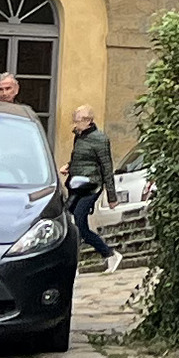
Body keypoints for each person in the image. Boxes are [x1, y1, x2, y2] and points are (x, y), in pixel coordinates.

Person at [65, 104, 122, 266]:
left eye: (77, 120)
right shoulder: (79, 137)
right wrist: (69, 166)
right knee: (71, 222)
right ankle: (74, 261)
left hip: (92, 186)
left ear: (88, 121)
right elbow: (80, 157)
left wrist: (112, 197)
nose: (74, 124)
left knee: (79, 222)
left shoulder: (100, 139)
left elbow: (107, 167)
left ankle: (109, 254)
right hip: (76, 185)